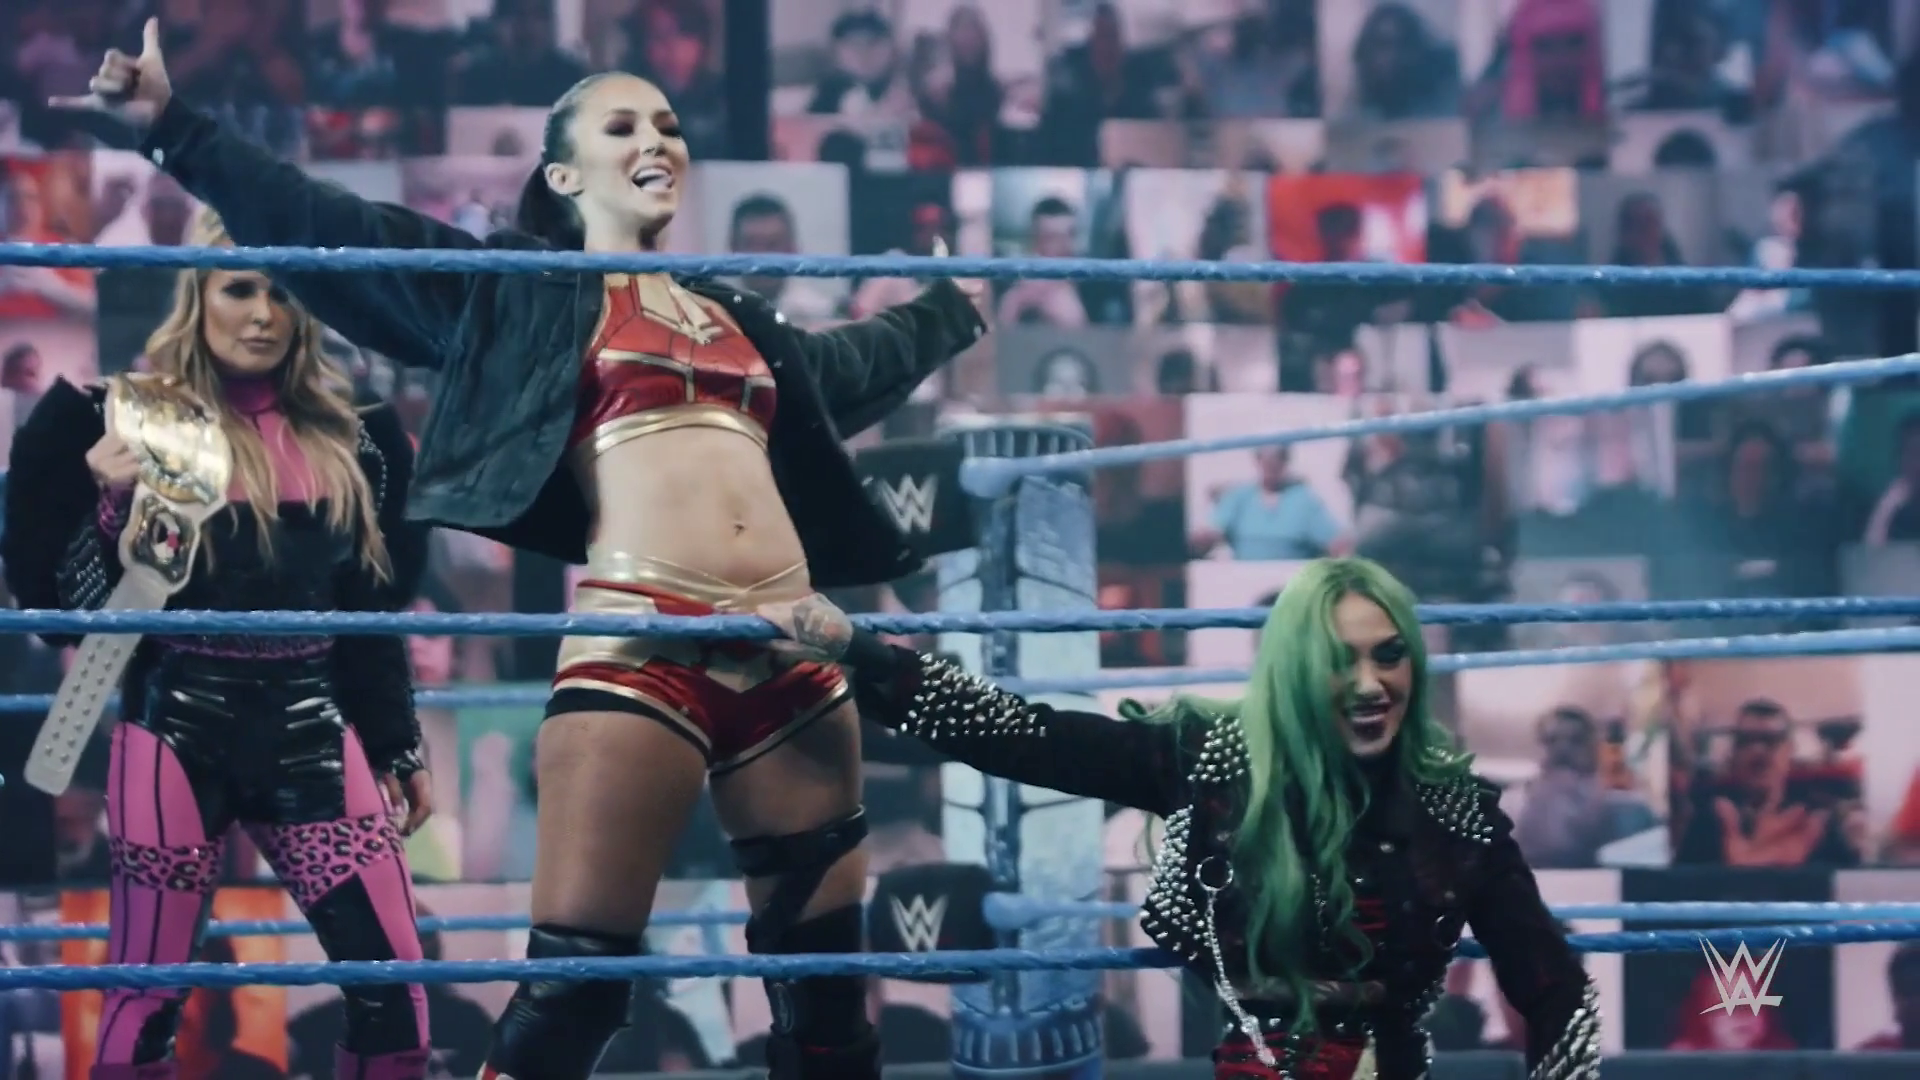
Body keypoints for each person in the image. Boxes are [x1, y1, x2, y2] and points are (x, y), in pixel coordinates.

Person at [54, 21, 988, 1080]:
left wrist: (948, 311)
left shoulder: (732, 314)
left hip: (791, 651)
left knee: (828, 1005)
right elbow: (337, 231)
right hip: (644, 645)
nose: (657, 139)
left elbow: (842, 372)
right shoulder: (520, 290)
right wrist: (173, 128)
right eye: (623, 125)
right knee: (572, 994)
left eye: (668, 124)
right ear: (564, 172)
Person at [755, 558, 1602, 1080]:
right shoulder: (1216, 762)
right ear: (1293, 670)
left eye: (1389, 655)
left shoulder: (1455, 810)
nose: (1370, 683)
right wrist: (861, 654)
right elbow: (1027, 738)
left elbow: (1555, 987)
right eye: (1338, 660)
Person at [1, 206, 433, 1080]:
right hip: (175, 727)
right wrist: (108, 505)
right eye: (240, 288)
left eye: (283, 290)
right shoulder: (112, 418)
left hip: (313, 727)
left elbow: (369, 610)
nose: (263, 314)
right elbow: (63, 619)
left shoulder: (354, 436)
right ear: (198, 293)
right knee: (145, 1003)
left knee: (396, 993)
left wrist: (396, 743)